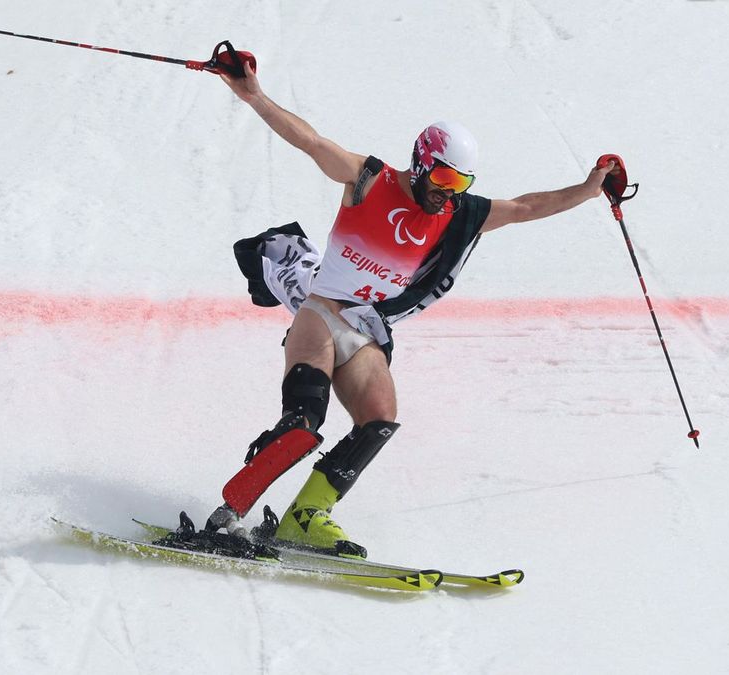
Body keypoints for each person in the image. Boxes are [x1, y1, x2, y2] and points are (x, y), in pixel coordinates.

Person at [204, 59, 618, 558]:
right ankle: (227, 515)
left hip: (364, 327)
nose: (449, 191)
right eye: (443, 176)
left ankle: (306, 517)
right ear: (422, 162)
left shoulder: (455, 214)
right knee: (302, 425)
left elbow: (526, 207)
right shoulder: (368, 180)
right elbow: (312, 142)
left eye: (461, 183)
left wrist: (589, 188)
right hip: (321, 311)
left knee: (379, 417)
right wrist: (254, 96)